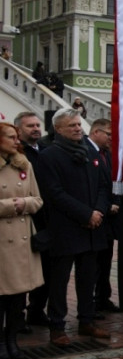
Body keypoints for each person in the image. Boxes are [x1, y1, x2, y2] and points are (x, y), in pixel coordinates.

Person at [35, 108, 112, 345]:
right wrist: (86, 214)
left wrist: (97, 212)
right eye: (72, 126)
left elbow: (103, 186)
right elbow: (54, 193)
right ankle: (57, 326)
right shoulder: (49, 156)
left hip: (92, 227)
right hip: (65, 227)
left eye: (79, 125)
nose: (78, 128)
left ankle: (86, 321)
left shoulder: (90, 152)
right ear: (58, 129)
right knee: (59, 280)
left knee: (88, 278)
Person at [0, 122, 44, 359]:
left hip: (21, 242)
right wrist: (11, 205)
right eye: (10, 137)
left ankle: (12, 339)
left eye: (17, 137)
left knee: (18, 301)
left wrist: (23, 204)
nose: (16, 141)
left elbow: (37, 199)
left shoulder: (24, 164)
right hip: (1, 243)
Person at [13, 112, 49, 327]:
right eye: (30, 126)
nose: (36, 128)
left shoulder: (46, 151)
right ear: (19, 130)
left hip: (45, 219)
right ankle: (17, 317)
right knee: (21, 270)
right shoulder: (16, 155)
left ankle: (36, 310)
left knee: (44, 269)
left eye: (37, 125)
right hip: (23, 219)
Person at [85, 119, 122, 315]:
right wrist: (103, 207)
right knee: (93, 265)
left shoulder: (107, 154)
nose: (111, 138)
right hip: (94, 217)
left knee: (105, 262)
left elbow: (112, 181)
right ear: (95, 132)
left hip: (108, 220)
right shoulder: (86, 151)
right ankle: (90, 303)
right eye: (108, 134)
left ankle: (102, 297)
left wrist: (115, 201)